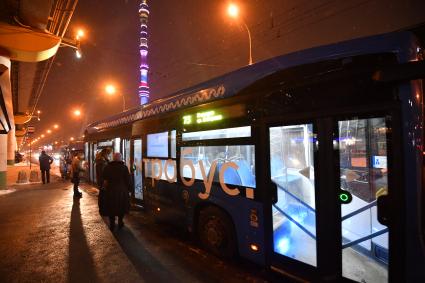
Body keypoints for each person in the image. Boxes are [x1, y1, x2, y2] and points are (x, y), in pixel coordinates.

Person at [103, 152, 131, 231]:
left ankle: (112, 224)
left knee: (111, 207)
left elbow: (105, 181)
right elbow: (128, 180)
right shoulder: (124, 168)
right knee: (121, 207)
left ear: (113, 158)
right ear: (120, 158)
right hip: (122, 191)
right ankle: (120, 222)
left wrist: (105, 188)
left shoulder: (107, 167)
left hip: (111, 191)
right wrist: (129, 190)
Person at [95, 149, 110, 215]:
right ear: (105, 154)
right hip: (103, 182)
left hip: (102, 181)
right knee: (103, 196)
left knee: (102, 195)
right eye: (108, 154)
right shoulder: (102, 162)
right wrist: (104, 182)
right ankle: (103, 210)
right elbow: (103, 173)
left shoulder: (100, 161)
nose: (108, 156)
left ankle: (102, 210)